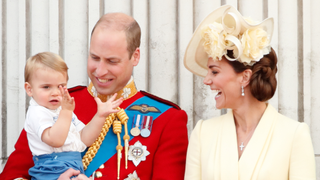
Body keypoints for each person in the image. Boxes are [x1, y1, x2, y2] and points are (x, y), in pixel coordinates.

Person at [0, 13, 188, 180]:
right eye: (95, 58)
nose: (100, 71)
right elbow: (12, 175)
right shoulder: (55, 103)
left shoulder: (167, 119)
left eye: (112, 61)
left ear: (135, 56)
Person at [183, 5, 316, 180]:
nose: (206, 80)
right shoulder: (202, 133)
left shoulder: (294, 135)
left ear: (245, 77)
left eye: (214, 72)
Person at [23, 52, 123, 179]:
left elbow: (84, 138)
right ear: (29, 89)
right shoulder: (37, 112)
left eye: (61, 86)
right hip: (51, 168)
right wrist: (66, 111)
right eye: (46, 87)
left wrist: (100, 116)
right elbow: (55, 140)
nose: (55, 93)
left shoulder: (62, 109)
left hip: (71, 165)